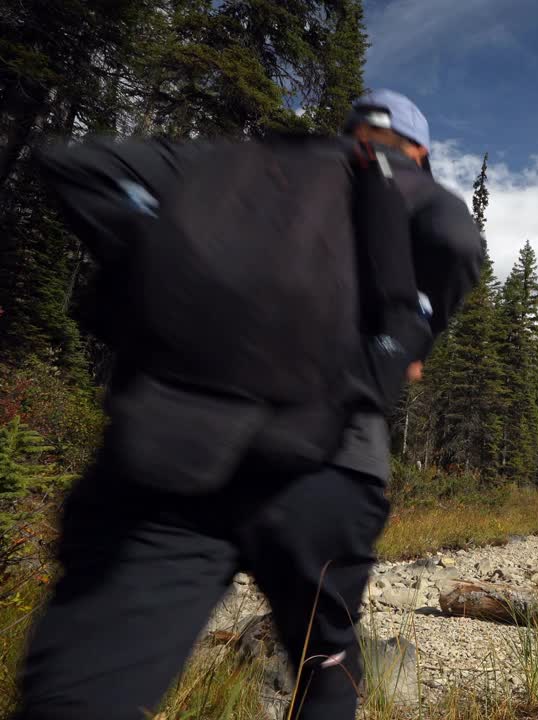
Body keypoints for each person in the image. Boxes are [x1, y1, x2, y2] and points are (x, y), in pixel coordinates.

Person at [15, 90, 484, 720]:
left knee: (86, 686)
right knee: (325, 661)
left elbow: (76, 165)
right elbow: (457, 241)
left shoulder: (234, 164)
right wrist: (411, 336)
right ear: (419, 153)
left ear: (346, 128)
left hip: (167, 451)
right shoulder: (401, 181)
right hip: (328, 468)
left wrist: (158, 267)